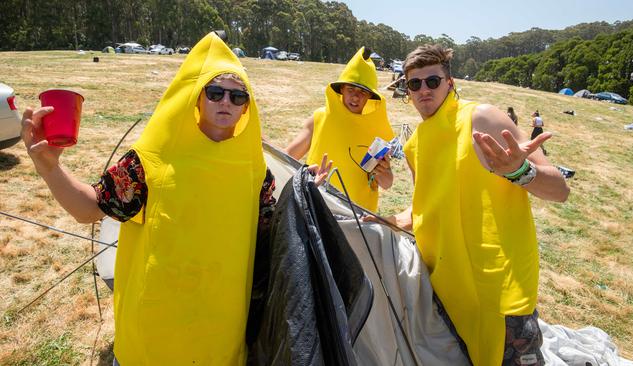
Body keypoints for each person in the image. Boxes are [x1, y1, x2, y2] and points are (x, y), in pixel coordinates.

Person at [21, 32, 329, 365]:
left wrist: (303, 191)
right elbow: (89, 209)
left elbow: (273, 235)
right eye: (215, 92)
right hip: (154, 335)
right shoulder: (151, 159)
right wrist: (50, 168)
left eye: (238, 97)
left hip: (219, 336)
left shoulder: (256, 171)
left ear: (246, 108)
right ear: (196, 98)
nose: (226, 102)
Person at [375, 44, 569, 365]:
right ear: (407, 91)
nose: (424, 89)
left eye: (433, 81)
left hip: (499, 292)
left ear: (449, 83)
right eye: (414, 84)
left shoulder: (482, 117)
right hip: (447, 290)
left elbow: (559, 190)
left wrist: (520, 171)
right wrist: (375, 221)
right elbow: (424, 209)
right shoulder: (414, 144)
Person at [285, 46, 394, 212]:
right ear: (341, 89)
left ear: (370, 97)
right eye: (350, 89)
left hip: (356, 217)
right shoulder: (320, 118)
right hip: (317, 210)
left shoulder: (377, 133)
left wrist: (383, 172)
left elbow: (387, 183)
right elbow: (287, 157)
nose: (356, 96)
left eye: (363, 92)